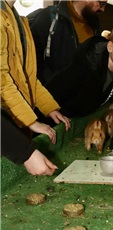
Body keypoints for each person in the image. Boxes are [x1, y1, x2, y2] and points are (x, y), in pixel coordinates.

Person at [1, 1, 71, 142]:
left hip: (18, 123)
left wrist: (49, 108)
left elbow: (28, 77)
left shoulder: (18, 20)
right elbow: (2, 81)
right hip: (6, 127)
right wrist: (31, 122)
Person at [28, 0, 109, 84]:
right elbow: (31, 56)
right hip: (48, 90)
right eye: (101, 4)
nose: (103, 9)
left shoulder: (94, 25)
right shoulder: (50, 17)